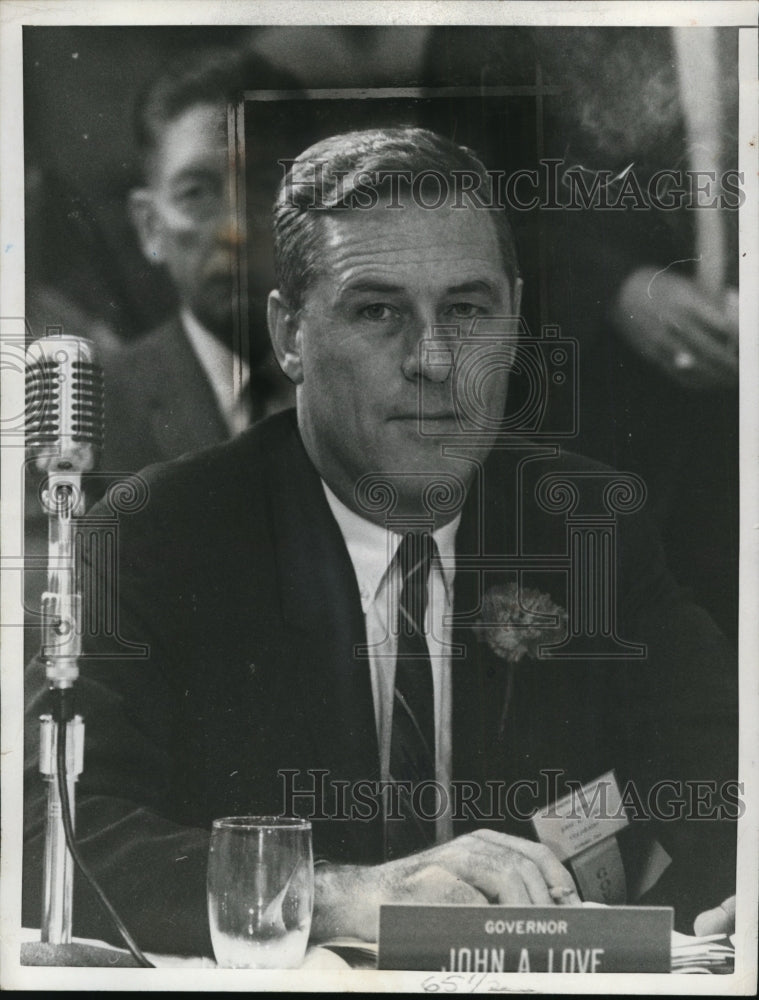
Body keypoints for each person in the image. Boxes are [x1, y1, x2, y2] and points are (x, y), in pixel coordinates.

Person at [23, 128, 737, 958]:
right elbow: (53, 832)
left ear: (512, 318)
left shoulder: (587, 524)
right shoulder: (158, 536)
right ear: (289, 335)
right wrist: (345, 896)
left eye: (466, 309)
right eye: (378, 311)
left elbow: (724, 785)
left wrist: (720, 911)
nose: (434, 359)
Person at [101, 46, 297, 480]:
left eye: (265, 185)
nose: (236, 231)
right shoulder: (97, 416)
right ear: (150, 227)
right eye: (196, 193)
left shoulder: (372, 384)